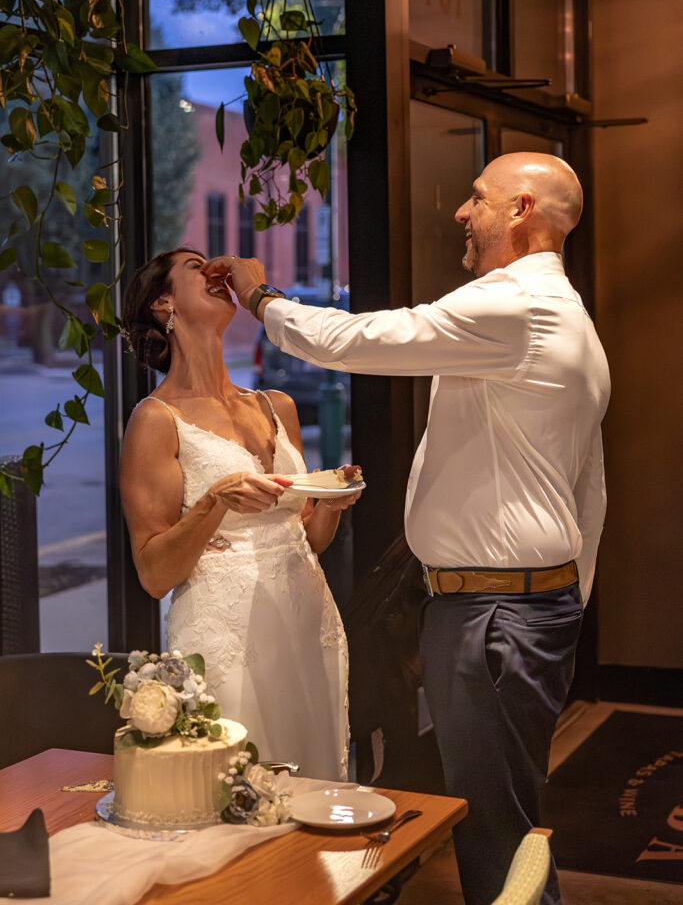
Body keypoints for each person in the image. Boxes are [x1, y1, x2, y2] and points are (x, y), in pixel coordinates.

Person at [217, 153, 610, 905]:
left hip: (494, 615)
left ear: (521, 209)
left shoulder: (514, 308)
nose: (462, 213)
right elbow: (588, 485)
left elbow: (352, 342)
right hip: (516, 607)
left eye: (476, 197)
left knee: (494, 827)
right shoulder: (567, 317)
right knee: (504, 819)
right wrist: (564, 599)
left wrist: (257, 292)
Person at [118, 247, 362, 781]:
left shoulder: (277, 405)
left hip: (305, 619)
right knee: (238, 787)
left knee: (313, 783)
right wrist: (213, 502)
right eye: (194, 266)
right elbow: (154, 574)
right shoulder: (157, 419)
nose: (214, 271)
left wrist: (332, 501)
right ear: (164, 303)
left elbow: (306, 536)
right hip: (225, 632)